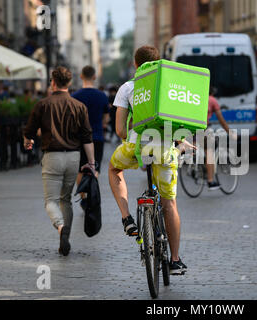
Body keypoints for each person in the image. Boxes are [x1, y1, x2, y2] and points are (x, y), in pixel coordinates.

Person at [108, 45, 191, 275]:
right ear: (159, 63)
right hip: (164, 148)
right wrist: (180, 142)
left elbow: (120, 130)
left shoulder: (127, 88)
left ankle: (127, 218)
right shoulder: (169, 86)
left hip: (136, 147)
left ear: (135, 65)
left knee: (114, 169)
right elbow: (181, 121)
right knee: (169, 203)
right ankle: (174, 260)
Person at [23, 67, 95, 256]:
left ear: (53, 82)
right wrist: (92, 163)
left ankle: (61, 227)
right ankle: (66, 237)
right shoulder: (79, 106)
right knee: (66, 200)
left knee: (50, 201)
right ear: (69, 83)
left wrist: (27, 140)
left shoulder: (43, 104)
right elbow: (87, 137)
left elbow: (29, 130)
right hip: (73, 157)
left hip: (52, 156)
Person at [72, 66, 110, 209]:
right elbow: (106, 119)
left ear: (81, 76)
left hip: (79, 138)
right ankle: (92, 193)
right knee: (95, 168)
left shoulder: (74, 96)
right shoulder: (102, 96)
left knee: (80, 170)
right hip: (97, 137)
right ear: (94, 77)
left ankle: (84, 198)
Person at [205, 86, 230, 190]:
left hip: (191, 128)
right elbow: (221, 119)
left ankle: (196, 166)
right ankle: (210, 181)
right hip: (204, 128)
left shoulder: (197, 97)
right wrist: (229, 131)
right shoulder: (212, 100)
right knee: (209, 153)